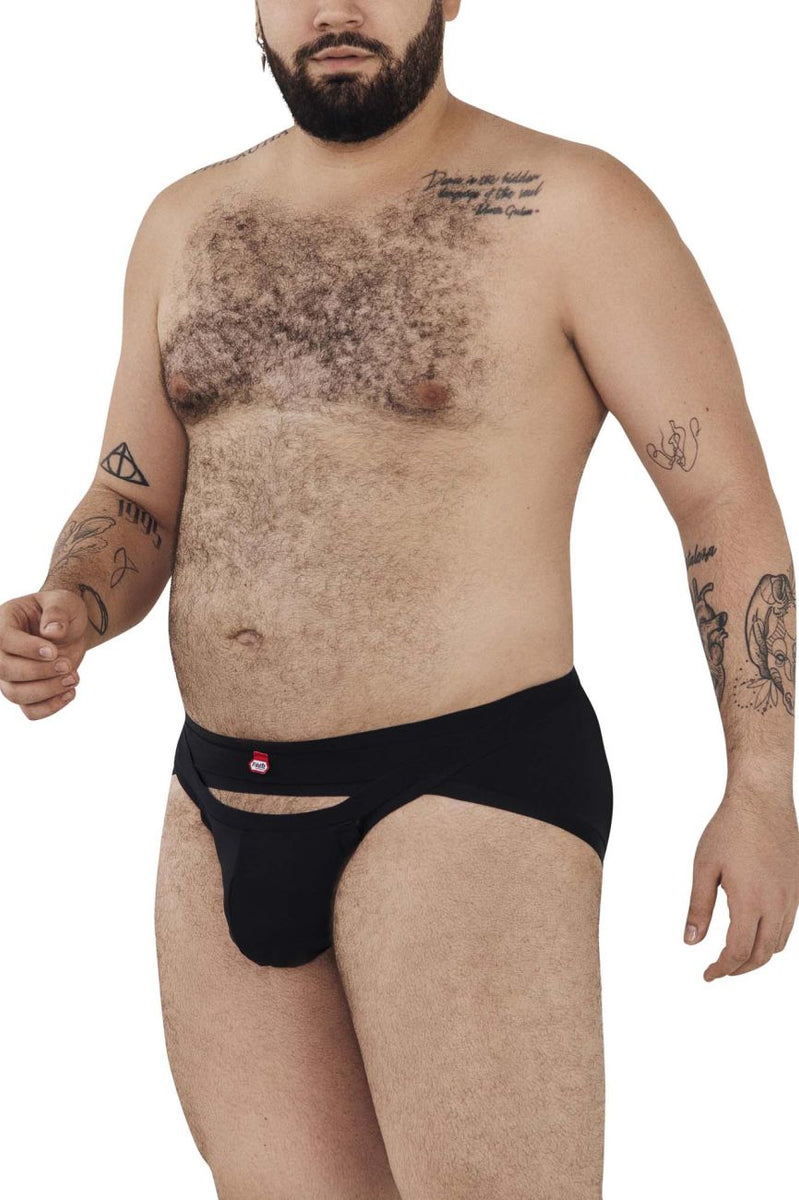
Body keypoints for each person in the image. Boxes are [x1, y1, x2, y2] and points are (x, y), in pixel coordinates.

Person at [1, 2, 796, 1196]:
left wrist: (761, 786)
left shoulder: (570, 206)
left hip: (464, 789)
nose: (336, 9)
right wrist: (70, 601)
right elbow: (134, 497)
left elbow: (720, 502)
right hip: (214, 797)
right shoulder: (184, 221)